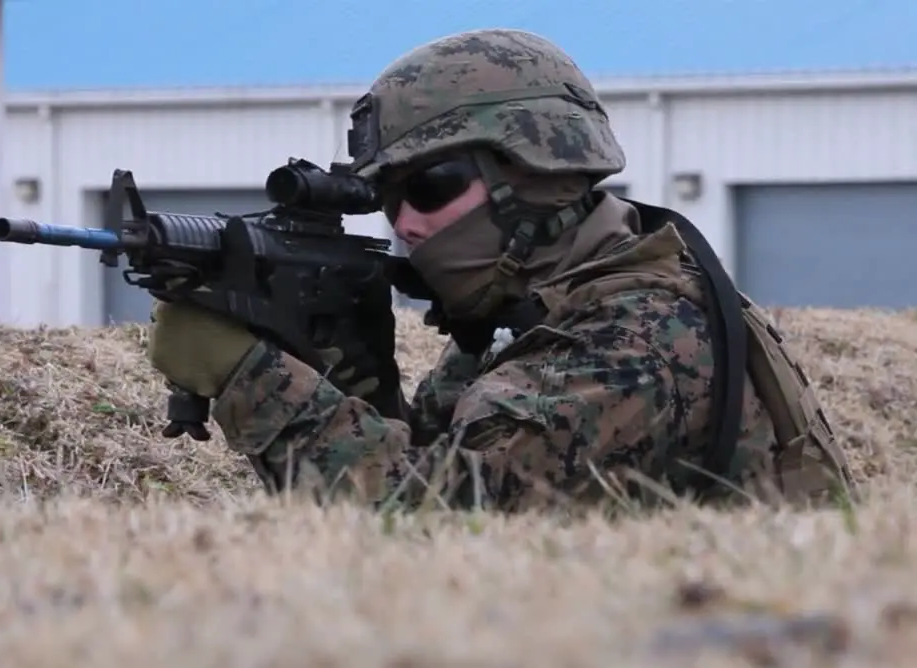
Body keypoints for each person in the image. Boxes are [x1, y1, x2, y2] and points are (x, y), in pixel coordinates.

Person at [144, 28, 855, 512]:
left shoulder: (641, 336)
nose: (406, 223)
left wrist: (253, 379)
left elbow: (441, 519)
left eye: (430, 187)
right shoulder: (536, 317)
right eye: (388, 200)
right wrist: (353, 379)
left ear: (536, 172)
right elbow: (429, 474)